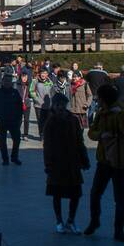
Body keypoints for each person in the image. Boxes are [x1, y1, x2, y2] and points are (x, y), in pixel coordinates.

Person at [83, 84, 124, 242]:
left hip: (119, 160)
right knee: (95, 193)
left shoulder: (119, 112)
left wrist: (119, 118)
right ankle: (95, 221)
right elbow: (92, 133)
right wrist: (102, 134)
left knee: (119, 197)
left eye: (100, 98)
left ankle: (119, 230)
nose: (98, 101)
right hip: (104, 159)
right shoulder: (101, 113)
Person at [43, 92, 89, 234]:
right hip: (57, 162)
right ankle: (59, 220)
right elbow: (47, 145)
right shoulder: (50, 121)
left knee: (75, 193)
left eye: (62, 104)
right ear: (54, 106)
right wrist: (48, 164)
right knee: (57, 193)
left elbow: (79, 141)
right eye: (57, 105)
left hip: (72, 161)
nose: (60, 107)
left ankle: (71, 220)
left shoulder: (73, 120)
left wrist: (84, 158)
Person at [0, 73, 24, 166]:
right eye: (6, 81)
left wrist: (19, 117)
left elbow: (20, 106)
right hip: (2, 121)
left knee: (17, 139)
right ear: (3, 82)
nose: (7, 83)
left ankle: (14, 157)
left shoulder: (15, 92)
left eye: (9, 81)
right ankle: (5, 159)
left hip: (14, 121)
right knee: (2, 141)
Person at [29, 67, 53, 140]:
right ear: (39, 73)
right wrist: (36, 99)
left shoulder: (49, 81)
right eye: (42, 73)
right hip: (38, 105)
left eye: (45, 73)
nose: (43, 75)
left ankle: (47, 134)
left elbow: (52, 91)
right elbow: (31, 91)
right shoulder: (35, 81)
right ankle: (41, 134)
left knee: (48, 121)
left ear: (47, 74)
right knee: (40, 121)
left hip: (48, 105)